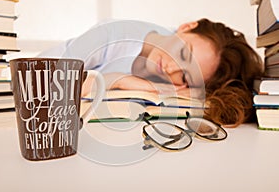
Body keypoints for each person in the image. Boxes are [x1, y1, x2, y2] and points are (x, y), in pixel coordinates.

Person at [39, 19, 263, 128]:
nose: (171, 68)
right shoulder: (113, 35)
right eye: (183, 52)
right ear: (186, 27)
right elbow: (40, 86)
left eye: (185, 76)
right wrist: (114, 81)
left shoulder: (165, 88)